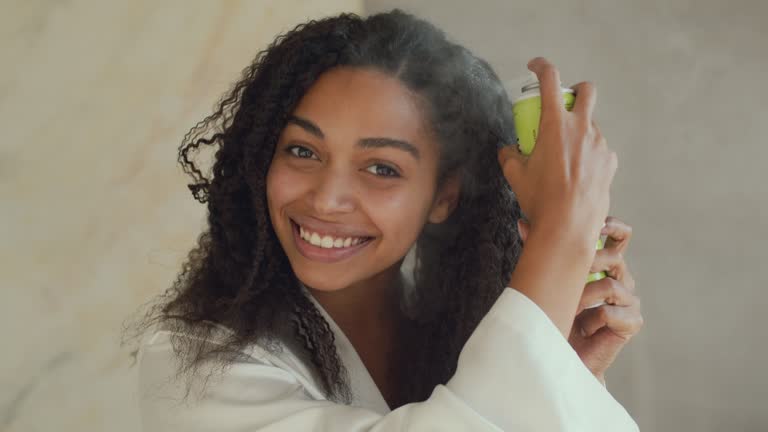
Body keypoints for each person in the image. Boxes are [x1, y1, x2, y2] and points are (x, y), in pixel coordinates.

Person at [130, 9, 644, 431]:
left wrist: (563, 370)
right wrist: (559, 234)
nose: (328, 199)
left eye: (381, 167)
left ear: (443, 196)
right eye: (302, 151)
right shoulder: (194, 363)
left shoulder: (450, 333)